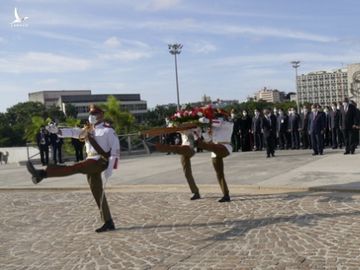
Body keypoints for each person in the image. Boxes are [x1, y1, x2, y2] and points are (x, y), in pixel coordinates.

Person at [26, 104, 120, 233]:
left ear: (102, 115)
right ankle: (108, 222)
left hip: (100, 161)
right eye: (91, 114)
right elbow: (73, 132)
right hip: (90, 160)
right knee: (97, 192)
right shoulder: (87, 129)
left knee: (77, 167)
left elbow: (115, 151)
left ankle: (43, 173)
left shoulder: (108, 131)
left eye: (96, 114)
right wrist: (57, 131)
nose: (93, 116)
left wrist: (111, 167)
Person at [197, 109, 233, 202]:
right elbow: (209, 139)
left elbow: (217, 122)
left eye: (219, 115)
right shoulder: (213, 126)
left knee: (210, 146)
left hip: (225, 147)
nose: (217, 116)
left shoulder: (227, 123)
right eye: (216, 115)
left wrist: (206, 121)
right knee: (219, 174)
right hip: (214, 149)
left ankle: (198, 144)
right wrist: (204, 131)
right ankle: (226, 194)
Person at [155, 127, 201, 200]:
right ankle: (195, 192)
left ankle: (169, 148)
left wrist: (189, 129)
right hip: (183, 149)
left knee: (182, 148)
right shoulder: (183, 128)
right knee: (187, 173)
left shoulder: (195, 128)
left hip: (190, 148)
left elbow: (197, 135)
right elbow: (173, 128)